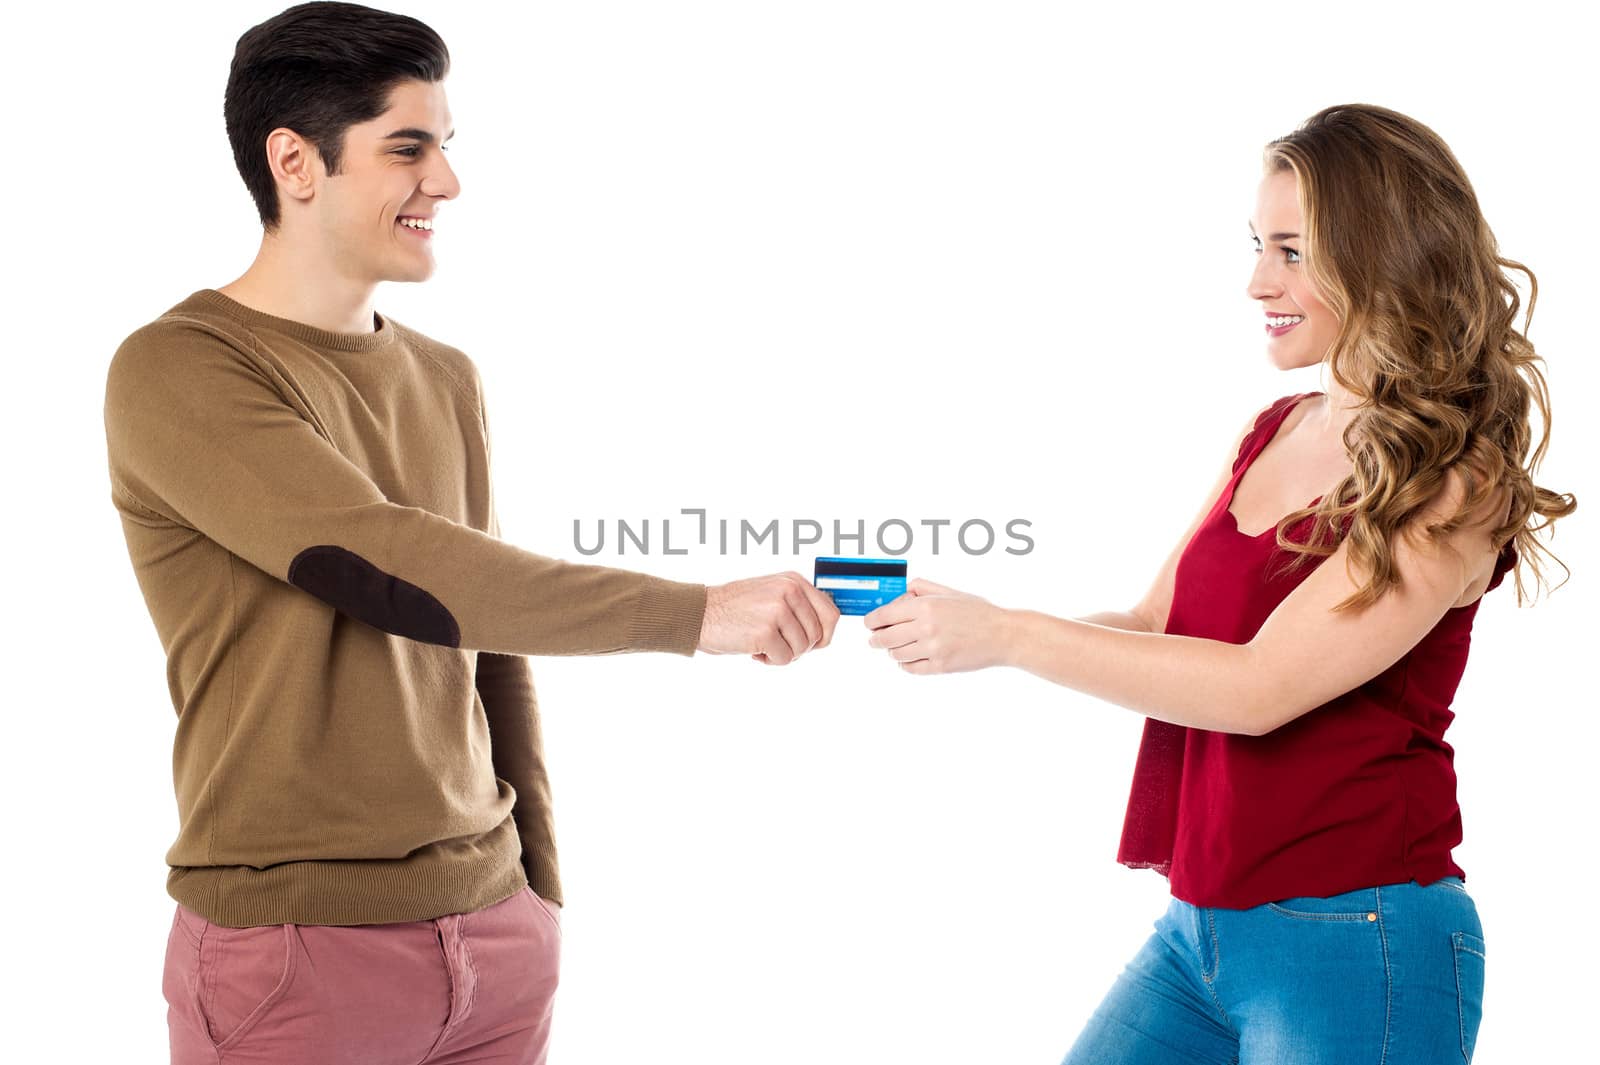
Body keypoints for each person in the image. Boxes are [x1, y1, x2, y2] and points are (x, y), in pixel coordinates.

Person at [101, 4, 838, 1063]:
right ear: (295, 163)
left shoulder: (444, 376)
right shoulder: (181, 368)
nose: (445, 183)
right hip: (300, 950)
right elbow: (384, 560)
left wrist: (535, 886)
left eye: (445, 147)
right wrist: (695, 613)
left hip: (494, 939)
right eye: (409, 148)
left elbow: (488, 637)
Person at [863, 102, 1575, 1063]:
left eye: (1289, 250)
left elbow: (1258, 688)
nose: (1256, 282)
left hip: (1359, 932)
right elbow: (1154, 623)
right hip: (1201, 930)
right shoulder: (1273, 429)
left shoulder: (1453, 476)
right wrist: (960, 624)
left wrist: (1012, 633)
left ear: (1377, 252)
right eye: (1258, 246)